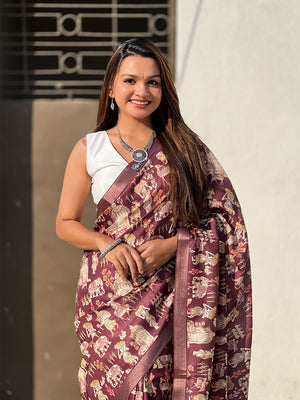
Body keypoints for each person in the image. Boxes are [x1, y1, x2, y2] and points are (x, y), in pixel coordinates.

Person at [56, 37, 252, 400]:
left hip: (171, 297)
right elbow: (65, 223)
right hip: (108, 301)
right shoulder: (90, 148)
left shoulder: (185, 149)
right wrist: (106, 243)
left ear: (163, 89)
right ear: (111, 88)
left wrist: (173, 246)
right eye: (130, 80)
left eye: (153, 81)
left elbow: (228, 223)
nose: (141, 90)